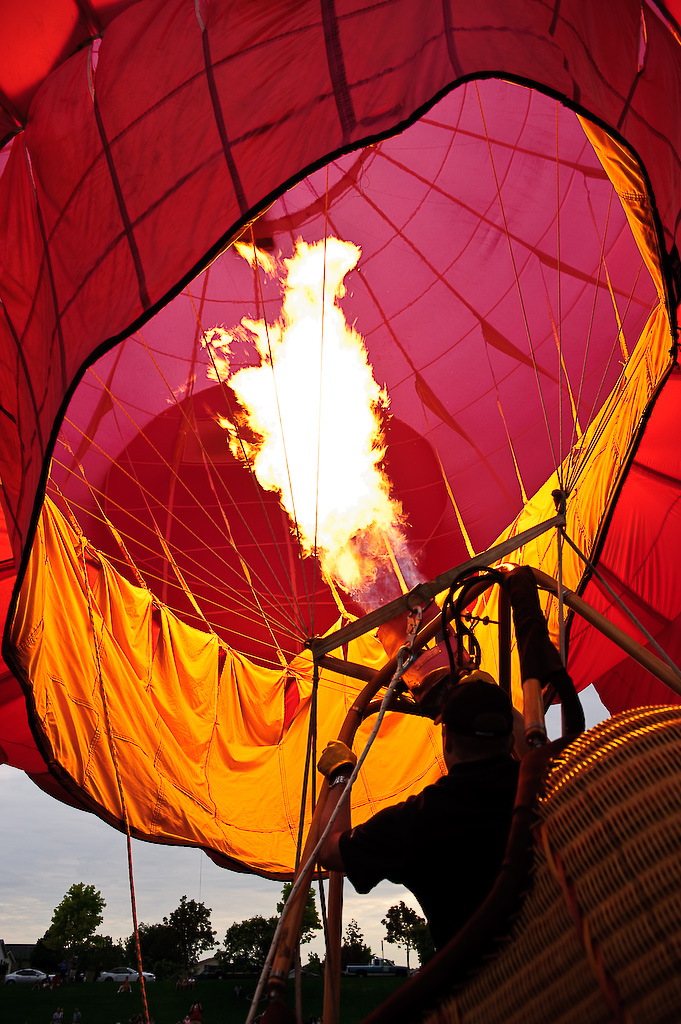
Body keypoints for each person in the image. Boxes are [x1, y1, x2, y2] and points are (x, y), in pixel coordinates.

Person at [317, 674, 520, 951]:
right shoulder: (548, 786)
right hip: (569, 975)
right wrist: (494, 697)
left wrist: (341, 775)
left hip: (474, 984)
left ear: (445, 740)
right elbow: (536, 749)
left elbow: (329, 850)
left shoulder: (419, 820)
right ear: (510, 741)